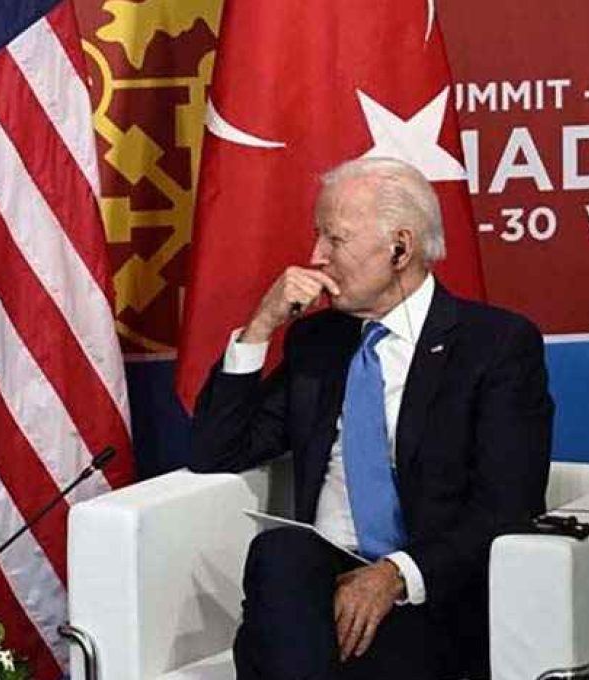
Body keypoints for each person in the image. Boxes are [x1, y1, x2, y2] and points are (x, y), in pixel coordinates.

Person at [189, 157, 552, 679]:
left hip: (429, 590)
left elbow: (508, 505)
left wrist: (394, 575)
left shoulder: (495, 346)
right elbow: (214, 450)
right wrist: (261, 325)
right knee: (280, 552)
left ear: (399, 248)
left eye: (334, 240)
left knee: (302, 651)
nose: (316, 257)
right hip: (316, 581)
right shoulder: (317, 341)